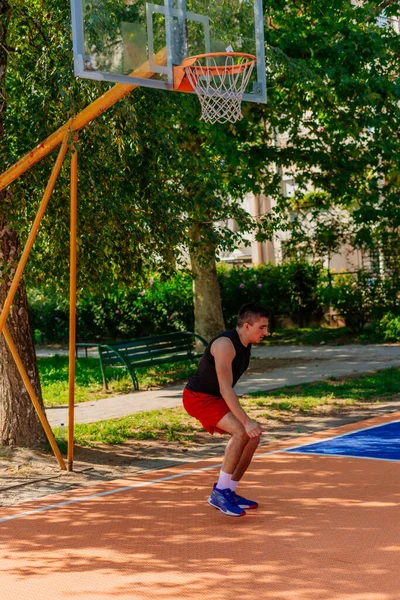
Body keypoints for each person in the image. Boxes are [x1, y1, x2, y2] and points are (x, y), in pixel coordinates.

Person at [182, 303, 268, 517]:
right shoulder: (224, 345)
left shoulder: (245, 343)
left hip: (214, 397)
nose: (266, 332)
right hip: (198, 398)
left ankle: (229, 489)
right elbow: (225, 387)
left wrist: (248, 423)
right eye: (262, 327)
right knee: (241, 431)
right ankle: (219, 492)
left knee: (252, 437)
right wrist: (246, 421)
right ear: (247, 326)